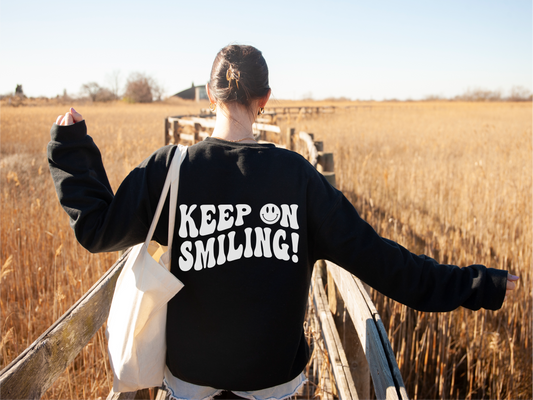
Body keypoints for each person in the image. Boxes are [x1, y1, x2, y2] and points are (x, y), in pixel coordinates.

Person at [49, 44, 519, 400]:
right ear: (265, 100)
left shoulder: (171, 170)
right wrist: (480, 283)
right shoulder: (297, 177)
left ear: (210, 96)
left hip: (189, 383)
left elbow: (96, 229)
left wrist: (71, 148)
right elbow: (383, 262)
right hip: (274, 386)